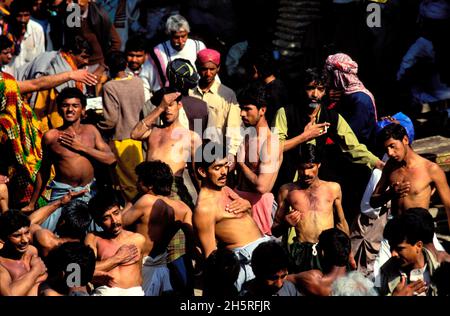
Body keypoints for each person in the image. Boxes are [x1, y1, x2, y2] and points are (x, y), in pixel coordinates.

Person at [273, 68, 383, 222]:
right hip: (288, 180)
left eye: (320, 89)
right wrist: (305, 136)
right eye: (310, 88)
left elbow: (353, 147)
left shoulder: (331, 117)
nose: (315, 94)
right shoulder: (285, 113)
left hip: (316, 183)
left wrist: (377, 163)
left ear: (325, 92)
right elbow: (274, 148)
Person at [0, 35, 97, 210]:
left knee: (24, 184)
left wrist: (70, 74)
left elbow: (37, 84)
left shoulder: (5, 81)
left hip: (13, 145)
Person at [24, 87, 116, 231]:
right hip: (63, 194)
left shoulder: (91, 131)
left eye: (75, 106)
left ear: (83, 109)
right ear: (59, 109)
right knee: (48, 233)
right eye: (65, 105)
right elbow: (44, 171)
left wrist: (82, 148)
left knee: (95, 234)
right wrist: (32, 203)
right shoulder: (52, 137)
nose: (70, 110)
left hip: (89, 192)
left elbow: (110, 159)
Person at [194, 142, 271, 291]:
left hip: (263, 253)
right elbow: (212, 256)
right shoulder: (204, 208)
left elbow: (248, 221)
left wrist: (248, 205)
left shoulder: (226, 189)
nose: (224, 172)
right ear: (203, 172)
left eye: (225, 165)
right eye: (217, 168)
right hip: (245, 266)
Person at [272, 143, 350, 272]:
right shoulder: (287, 191)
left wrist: (348, 252)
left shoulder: (333, 188)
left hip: (329, 249)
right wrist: (286, 223)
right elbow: (275, 230)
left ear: (319, 164)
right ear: (297, 167)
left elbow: (341, 223)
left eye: (310, 167)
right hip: (302, 252)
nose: (306, 173)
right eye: (302, 168)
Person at [121, 161, 194, 296]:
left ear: (149, 185)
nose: (136, 184)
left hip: (140, 266)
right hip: (161, 266)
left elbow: (119, 223)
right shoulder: (183, 208)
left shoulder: (145, 201)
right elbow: (191, 241)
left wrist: (131, 201)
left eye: (139, 180)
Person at [371, 123, 450, 225]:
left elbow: (448, 206)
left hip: (419, 230)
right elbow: (373, 202)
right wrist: (390, 193)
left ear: (405, 140)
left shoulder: (430, 169)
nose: (390, 153)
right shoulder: (390, 167)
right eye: (386, 149)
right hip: (397, 231)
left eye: (392, 146)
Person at [14, 35, 93, 131]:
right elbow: (37, 93)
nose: (86, 61)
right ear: (70, 53)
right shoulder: (53, 68)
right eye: (83, 57)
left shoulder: (71, 68)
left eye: (88, 58)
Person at [98, 51, 145, 202]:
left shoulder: (110, 87)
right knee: (139, 180)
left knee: (128, 185)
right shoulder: (138, 81)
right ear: (126, 64)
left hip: (121, 140)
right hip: (140, 138)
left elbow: (111, 120)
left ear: (108, 67)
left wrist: (97, 125)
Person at [235, 82, 281, 235]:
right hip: (238, 204)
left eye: (247, 109)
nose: (242, 113)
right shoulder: (248, 135)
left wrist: (240, 164)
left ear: (262, 110)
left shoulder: (270, 143)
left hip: (259, 208)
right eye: (241, 108)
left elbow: (262, 187)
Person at [85, 189, 146, 296]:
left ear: (121, 210)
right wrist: (117, 258)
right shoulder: (93, 238)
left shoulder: (138, 239)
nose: (114, 221)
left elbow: (140, 275)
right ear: (98, 222)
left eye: (116, 213)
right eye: (106, 218)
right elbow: (84, 270)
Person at [190, 48, 243, 167]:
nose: (208, 73)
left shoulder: (227, 95)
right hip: (190, 155)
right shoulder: (189, 92)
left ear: (218, 68)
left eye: (212, 69)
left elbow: (234, 128)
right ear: (197, 67)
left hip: (216, 157)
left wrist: (231, 154)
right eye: (204, 69)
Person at [325, 53, 378, 152]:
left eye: (330, 76)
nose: (328, 80)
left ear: (338, 76)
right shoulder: (345, 94)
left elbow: (351, 135)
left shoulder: (360, 100)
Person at [379, 215, 439, 296]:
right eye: (391, 247)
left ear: (418, 246)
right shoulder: (385, 273)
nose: (393, 254)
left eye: (399, 248)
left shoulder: (441, 269)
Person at [286, 228, 351, 296]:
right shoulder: (356, 282)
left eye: (318, 247)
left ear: (322, 253)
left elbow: (283, 278)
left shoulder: (314, 280)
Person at [0, 210, 47, 296]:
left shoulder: (32, 251)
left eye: (27, 232)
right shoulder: (2, 266)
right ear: (3, 239)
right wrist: (36, 271)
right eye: (17, 235)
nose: (25, 240)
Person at [152, 14, 206, 87]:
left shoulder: (199, 46)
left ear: (187, 33)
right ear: (169, 35)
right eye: (176, 37)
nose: (180, 41)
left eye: (183, 36)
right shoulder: (159, 51)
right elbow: (155, 79)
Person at [2, 0, 45, 75]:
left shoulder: (37, 30)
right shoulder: (4, 30)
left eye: (26, 15)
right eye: (19, 16)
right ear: (13, 15)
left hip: (30, 81)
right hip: (8, 80)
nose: (23, 19)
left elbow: (40, 59)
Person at [125, 36, 160, 102]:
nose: (134, 60)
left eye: (138, 56)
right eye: (131, 55)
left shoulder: (153, 71)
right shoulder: (120, 70)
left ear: (146, 55)